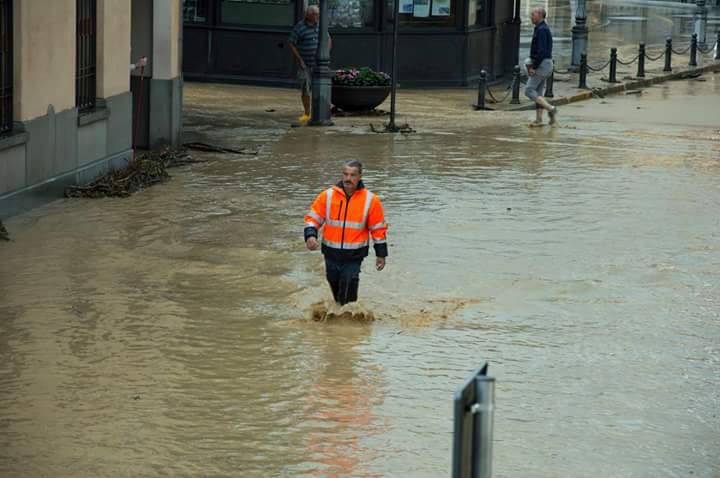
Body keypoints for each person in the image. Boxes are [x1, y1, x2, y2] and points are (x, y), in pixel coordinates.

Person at [304, 161, 388, 305]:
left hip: (354, 256)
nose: (348, 178)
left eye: (352, 175)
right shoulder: (327, 196)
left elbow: (378, 229)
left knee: (349, 286)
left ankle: (349, 320)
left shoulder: (371, 200)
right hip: (331, 253)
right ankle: (341, 317)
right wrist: (310, 235)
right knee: (335, 288)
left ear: (360, 176)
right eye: (345, 174)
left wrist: (381, 254)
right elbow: (313, 218)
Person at [289, 6, 331, 125]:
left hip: (320, 64)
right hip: (305, 65)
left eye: (318, 14)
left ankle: (319, 112)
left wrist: (326, 54)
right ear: (308, 15)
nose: (317, 16)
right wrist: (300, 60)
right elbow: (291, 43)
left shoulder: (321, 26)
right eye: (315, 14)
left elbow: (328, 39)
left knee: (321, 88)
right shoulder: (299, 27)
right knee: (305, 88)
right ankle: (307, 113)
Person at [525, 7, 558, 126]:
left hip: (542, 64)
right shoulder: (540, 28)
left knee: (529, 90)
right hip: (545, 64)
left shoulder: (542, 30)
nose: (531, 16)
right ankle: (539, 120)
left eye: (533, 14)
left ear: (540, 15)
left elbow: (542, 51)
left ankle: (551, 108)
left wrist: (533, 66)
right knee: (538, 93)